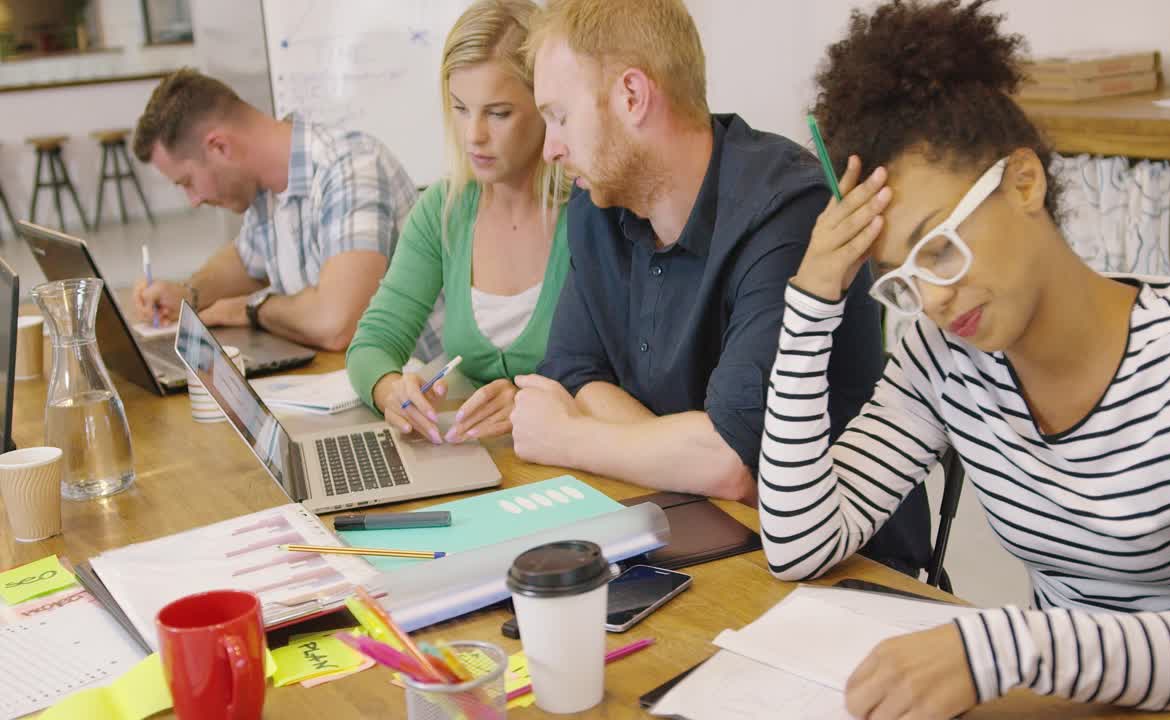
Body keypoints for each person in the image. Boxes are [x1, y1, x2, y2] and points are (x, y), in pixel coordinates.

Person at [757, 1, 1170, 718]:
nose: (934, 299)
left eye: (939, 246)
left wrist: (1000, 646)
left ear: (1023, 182)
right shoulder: (944, 359)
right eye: (903, 277)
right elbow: (799, 544)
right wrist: (812, 301)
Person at [513, 0, 931, 576]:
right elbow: (577, 374)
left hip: (845, 574)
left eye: (559, 116)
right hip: (678, 528)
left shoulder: (789, 210)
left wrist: (564, 438)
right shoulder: (596, 205)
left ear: (632, 97)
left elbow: (730, 460)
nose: (549, 149)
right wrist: (684, 456)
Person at [347, 0, 570, 445]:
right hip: (479, 461)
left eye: (498, 113)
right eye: (460, 108)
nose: (473, 135)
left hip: (578, 467)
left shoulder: (590, 209)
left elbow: (631, 373)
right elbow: (374, 342)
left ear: (545, 105)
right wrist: (391, 389)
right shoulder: (444, 210)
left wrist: (533, 401)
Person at [130, 69, 436, 354]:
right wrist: (187, 294)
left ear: (220, 147)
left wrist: (246, 310)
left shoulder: (349, 167)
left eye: (188, 182)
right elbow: (245, 262)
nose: (193, 200)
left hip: (429, 390)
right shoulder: (264, 187)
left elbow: (336, 325)